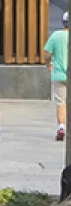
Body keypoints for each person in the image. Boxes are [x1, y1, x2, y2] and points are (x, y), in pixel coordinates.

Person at [46, 10, 68, 141]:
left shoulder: (55, 36)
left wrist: (49, 65)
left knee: (61, 102)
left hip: (59, 74)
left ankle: (61, 127)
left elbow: (47, 55)